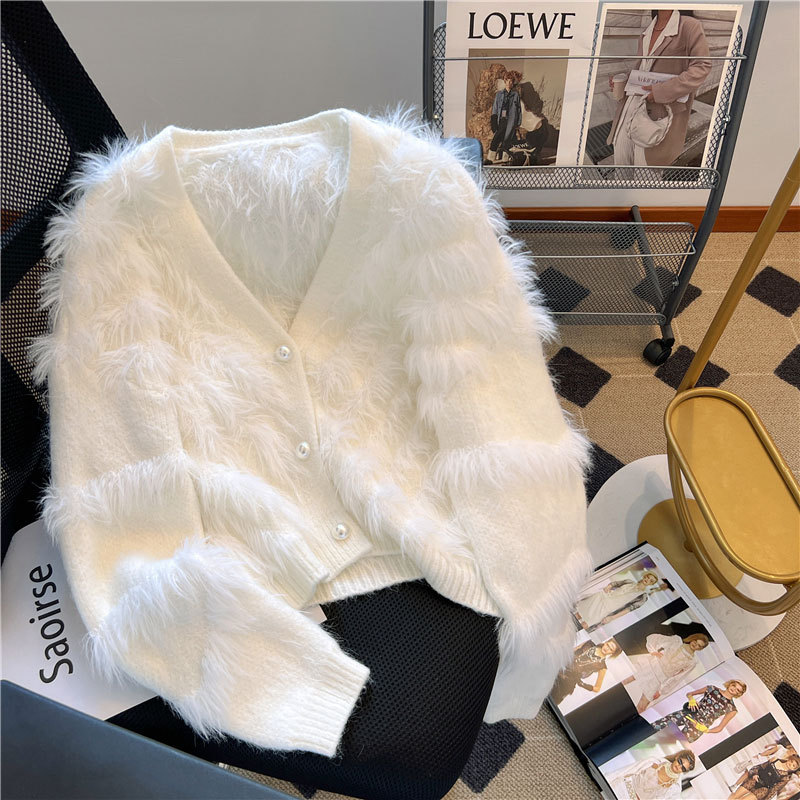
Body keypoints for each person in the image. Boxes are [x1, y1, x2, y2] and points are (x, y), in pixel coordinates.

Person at [606, 9, 712, 167]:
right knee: (621, 162)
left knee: (646, 170)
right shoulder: (648, 30)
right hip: (630, 106)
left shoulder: (689, 25)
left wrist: (661, 92)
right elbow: (645, 68)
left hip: (659, 112)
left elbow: (702, 66)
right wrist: (626, 81)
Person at [626, 632, 710, 712]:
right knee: (626, 679)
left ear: (700, 649)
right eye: (695, 641)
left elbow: (678, 678)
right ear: (693, 638)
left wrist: (661, 691)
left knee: (642, 706)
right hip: (651, 665)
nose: (695, 645)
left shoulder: (692, 662)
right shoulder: (677, 641)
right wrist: (654, 652)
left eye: (699, 645)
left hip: (659, 678)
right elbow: (655, 639)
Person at [651, 680, 747, 743]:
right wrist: (691, 699)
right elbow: (690, 694)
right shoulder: (712, 689)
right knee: (659, 725)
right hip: (689, 713)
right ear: (730, 684)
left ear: (739, 694)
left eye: (738, 690)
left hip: (699, 726)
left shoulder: (732, 709)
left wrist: (706, 730)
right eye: (734, 685)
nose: (734, 689)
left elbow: (720, 728)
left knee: (676, 743)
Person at [574, 571, 662, 631]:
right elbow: (615, 583)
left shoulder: (642, 596)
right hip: (601, 597)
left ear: (651, 584)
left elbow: (628, 609)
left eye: (651, 581)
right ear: (644, 576)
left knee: (586, 623)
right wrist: (608, 587)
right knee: (579, 613)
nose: (647, 580)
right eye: (648, 577)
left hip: (608, 608)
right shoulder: (629, 581)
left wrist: (612, 618)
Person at [550, 638, 622, 705]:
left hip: (566, 683)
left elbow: (597, 688)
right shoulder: (589, 643)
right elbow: (572, 650)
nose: (607, 649)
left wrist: (582, 684)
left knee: (549, 702)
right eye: (608, 645)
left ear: (612, 653)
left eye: (611, 649)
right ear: (605, 642)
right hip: (560, 669)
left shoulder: (602, 667)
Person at [608, 749, 696, 799]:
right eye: (680, 762)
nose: (679, 766)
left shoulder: (675, 788)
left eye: (683, 768)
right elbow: (627, 770)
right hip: (619, 788)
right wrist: (606, 780)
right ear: (677, 757)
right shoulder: (653, 761)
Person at [728, 754, 800, 800]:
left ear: (794, 769)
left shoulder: (786, 777)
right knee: (735, 795)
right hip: (755, 779)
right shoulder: (775, 759)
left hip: (763, 789)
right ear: (789, 759)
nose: (790, 764)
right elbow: (760, 766)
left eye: (793, 766)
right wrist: (755, 774)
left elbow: (774, 789)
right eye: (791, 762)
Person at [488, 70, 522, 164]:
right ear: (505, 81)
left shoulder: (515, 95)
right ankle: (490, 158)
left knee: (507, 139)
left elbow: (519, 110)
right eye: (508, 80)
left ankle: (505, 158)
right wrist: (494, 122)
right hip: (502, 119)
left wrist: (518, 122)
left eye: (511, 81)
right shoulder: (499, 94)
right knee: (497, 137)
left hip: (511, 120)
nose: (509, 83)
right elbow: (495, 108)